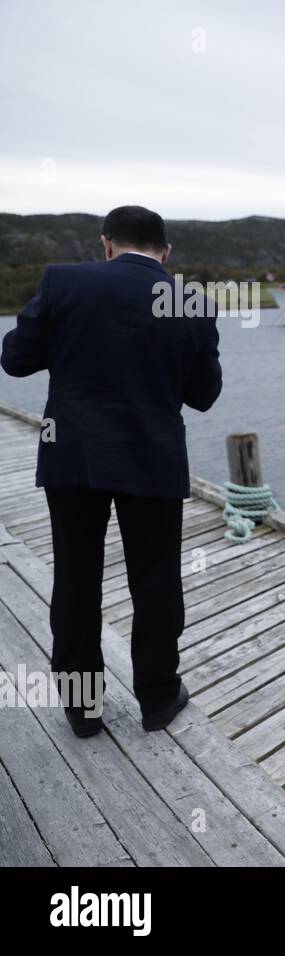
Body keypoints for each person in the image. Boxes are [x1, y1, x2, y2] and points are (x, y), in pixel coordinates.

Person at [1, 205, 222, 737]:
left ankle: (83, 710)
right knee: (156, 580)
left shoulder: (63, 282)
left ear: (106, 244)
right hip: (153, 458)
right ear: (165, 253)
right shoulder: (188, 299)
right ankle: (158, 699)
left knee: (76, 579)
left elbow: (14, 358)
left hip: (73, 455)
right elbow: (205, 395)